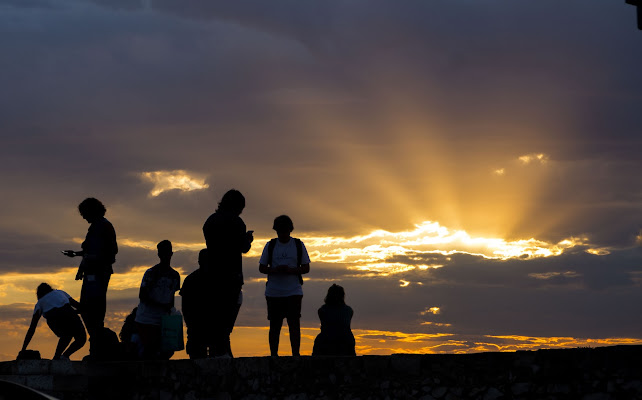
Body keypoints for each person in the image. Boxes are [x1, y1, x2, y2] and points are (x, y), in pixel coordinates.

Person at [62, 197, 117, 353]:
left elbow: (111, 252)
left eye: (84, 214)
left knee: (93, 310)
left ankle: (98, 345)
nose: (84, 217)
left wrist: (89, 259)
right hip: (91, 274)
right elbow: (90, 251)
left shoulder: (105, 226)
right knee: (87, 309)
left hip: (98, 274)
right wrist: (78, 256)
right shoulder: (95, 227)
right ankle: (96, 344)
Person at [202, 189, 253, 357]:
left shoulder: (210, 221)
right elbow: (243, 248)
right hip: (231, 275)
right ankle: (222, 350)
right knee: (226, 317)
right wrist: (247, 240)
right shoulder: (237, 223)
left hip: (212, 275)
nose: (241, 211)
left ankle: (218, 349)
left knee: (215, 315)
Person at [259, 215, 311, 357]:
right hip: (273, 292)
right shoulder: (270, 245)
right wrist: (275, 270)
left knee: (294, 325)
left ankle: (296, 355)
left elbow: (306, 268)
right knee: (275, 326)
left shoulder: (298, 245)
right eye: (279, 231)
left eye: (284, 231)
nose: (282, 234)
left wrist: (291, 271)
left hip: (293, 291)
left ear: (290, 230)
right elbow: (262, 267)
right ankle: (274, 356)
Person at [134, 240, 181, 359]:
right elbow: (142, 296)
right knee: (149, 351)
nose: (165, 255)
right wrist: (162, 306)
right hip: (147, 319)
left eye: (167, 252)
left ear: (171, 254)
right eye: (162, 252)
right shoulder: (151, 273)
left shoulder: (175, 275)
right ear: (159, 254)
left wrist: (171, 313)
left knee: (167, 351)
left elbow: (171, 298)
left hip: (163, 320)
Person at [21, 283, 86, 360]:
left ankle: (58, 357)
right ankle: (64, 356)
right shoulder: (60, 292)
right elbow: (79, 307)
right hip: (69, 314)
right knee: (81, 339)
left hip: (55, 319)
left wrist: (23, 348)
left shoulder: (39, 303)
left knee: (66, 335)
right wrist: (74, 312)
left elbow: (32, 328)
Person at [180, 249, 215, 358]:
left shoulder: (190, 279)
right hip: (199, 327)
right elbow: (185, 306)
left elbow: (184, 306)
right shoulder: (217, 279)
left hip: (205, 327)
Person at [312, 284, 356, 356]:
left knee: (319, 340)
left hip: (327, 340)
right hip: (346, 340)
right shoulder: (349, 310)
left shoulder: (322, 310)